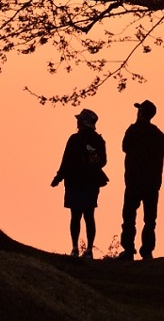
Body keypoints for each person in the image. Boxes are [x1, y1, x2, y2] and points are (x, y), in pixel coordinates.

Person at [51, 108, 108, 258]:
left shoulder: (74, 139)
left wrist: (58, 177)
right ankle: (88, 249)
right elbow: (103, 161)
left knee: (75, 216)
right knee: (89, 215)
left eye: (79, 120)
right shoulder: (98, 140)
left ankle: (75, 248)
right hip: (90, 181)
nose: (77, 123)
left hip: (75, 181)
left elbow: (66, 161)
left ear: (82, 123)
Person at [118, 99, 164, 261]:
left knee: (129, 216)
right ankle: (147, 251)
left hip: (134, 180)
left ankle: (128, 249)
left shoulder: (133, 130)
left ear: (140, 113)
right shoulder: (159, 135)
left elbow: (124, 147)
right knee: (150, 219)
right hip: (152, 182)